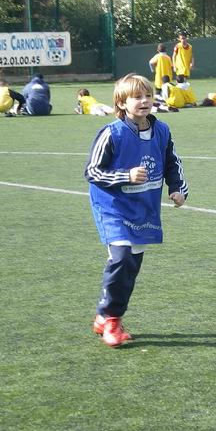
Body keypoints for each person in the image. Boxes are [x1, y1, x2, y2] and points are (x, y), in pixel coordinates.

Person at [84, 73, 188, 348]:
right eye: (137, 97)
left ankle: (103, 315)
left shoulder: (162, 130)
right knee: (121, 258)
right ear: (121, 103)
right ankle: (112, 320)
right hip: (113, 206)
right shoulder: (111, 133)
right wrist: (125, 176)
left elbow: (171, 163)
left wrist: (177, 189)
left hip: (144, 207)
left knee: (131, 267)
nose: (144, 101)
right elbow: (92, 171)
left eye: (148, 95)